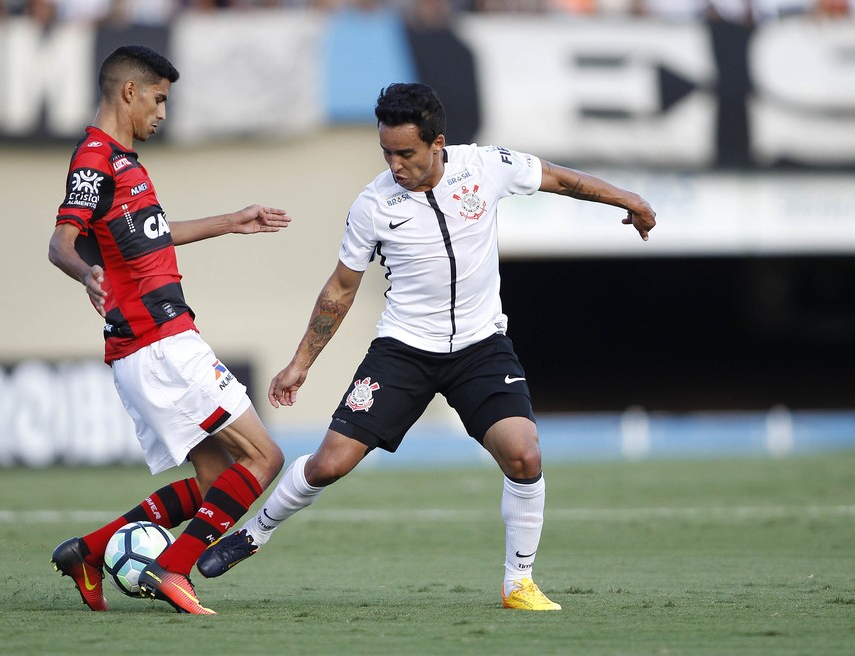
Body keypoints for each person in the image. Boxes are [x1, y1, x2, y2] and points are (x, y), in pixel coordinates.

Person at [197, 82, 656, 610]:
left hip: (481, 348)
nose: (395, 165)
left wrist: (630, 200)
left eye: (406, 153)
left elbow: (560, 178)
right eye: (386, 153)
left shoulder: (485, 166)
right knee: (329, 464)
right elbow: (340, 289)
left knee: (524, 454)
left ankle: (519, 583)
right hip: (403, 351)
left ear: (438, 143)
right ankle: (255, 532)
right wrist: (301, 363)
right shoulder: (373, 205)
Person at [47, 44, 289, 615]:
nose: (161, 113)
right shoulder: (95, 159)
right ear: (129, 92)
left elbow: (150, 234)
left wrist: (230, 221)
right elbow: (60, 242)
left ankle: (88, 551)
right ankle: (172, 568)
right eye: (157, 100)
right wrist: (86, 274)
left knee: (214, 481)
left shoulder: (122, 160)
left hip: (148, 347)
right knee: (265, 458)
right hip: (160, 343)